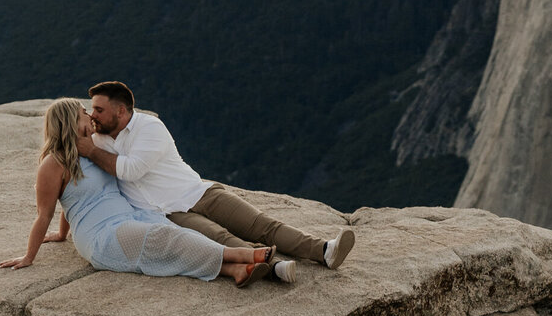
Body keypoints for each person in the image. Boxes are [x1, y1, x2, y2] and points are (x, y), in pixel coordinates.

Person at [80, 82, 355, 276]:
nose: (93, 115)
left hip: (198, 192)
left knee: (262, 225)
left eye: (99, 110)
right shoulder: (98, 139)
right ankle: (276, 268)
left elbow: (131, 170)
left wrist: (91, 150)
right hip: (168, 212)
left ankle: (325, 251)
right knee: (221, 238)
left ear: (121, 111)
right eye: (92, 109)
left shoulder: (149, 127)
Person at [1, 98, 281, 285]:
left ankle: (234, 271)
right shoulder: (53, 163)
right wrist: (29, 256)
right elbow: (45, 212)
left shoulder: (94, 150)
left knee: (177, 239)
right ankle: (244, 255)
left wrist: (63, 234)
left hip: (131, 217)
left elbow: (72, 202)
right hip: (102, 234)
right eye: (82, 113)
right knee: (167, 237)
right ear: (68, 123)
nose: (89, 115)